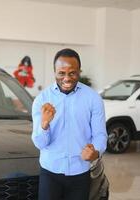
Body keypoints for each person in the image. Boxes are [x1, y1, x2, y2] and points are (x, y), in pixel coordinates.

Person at [31, 48, 107, 200]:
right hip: (50, 172)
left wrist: (96, 152)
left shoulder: (93, 98)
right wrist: (44, 124)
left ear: (79, 71)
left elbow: (100, 134)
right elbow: (40, 143)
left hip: (80, 173)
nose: (67, 78)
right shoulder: (42, 100)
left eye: (72, 73)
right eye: (61, 73)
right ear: (55, 72)